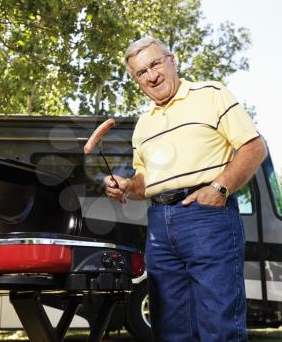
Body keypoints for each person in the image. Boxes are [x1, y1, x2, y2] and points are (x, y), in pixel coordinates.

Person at [104, 36, 267, 342]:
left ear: (172, 61)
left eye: (155, 64)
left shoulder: (211, 93)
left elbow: (254, 147)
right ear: (137, 81)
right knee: (170, 331)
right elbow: (145, 183)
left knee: (220, 327)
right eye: (141, 73)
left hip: (207, 218)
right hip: (159, 226)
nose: (152, 76)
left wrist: (220, 188)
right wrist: (127, 186)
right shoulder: (143, 125)